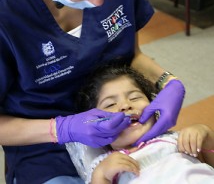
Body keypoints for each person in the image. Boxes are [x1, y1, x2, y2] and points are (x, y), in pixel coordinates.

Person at [0, 0, 185, 184]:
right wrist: (62, 129)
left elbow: (132, 56)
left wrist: (170, 83)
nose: (99, 3)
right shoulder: (6, 11)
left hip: (125, 126)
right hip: (46, 146)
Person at [71, 64, 214, 184]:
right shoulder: (104, 164)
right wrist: (101, 175)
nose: (125, 106)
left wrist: (205, 136)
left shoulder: (175, 140)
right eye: (110, 105)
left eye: (135, 97)